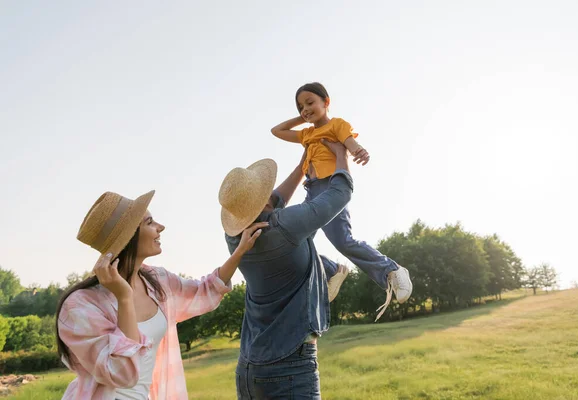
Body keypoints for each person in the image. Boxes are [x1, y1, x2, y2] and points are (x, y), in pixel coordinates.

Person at [55, 190, 266, 399]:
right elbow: (124, 374)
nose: (160, 227)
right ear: (129, 237)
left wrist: (239, 251)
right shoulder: (80, 306)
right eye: (149, 222)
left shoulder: (157, 281)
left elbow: (204, 290)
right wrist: (124, 297)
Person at [220, 140, 357, 399]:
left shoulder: (235, 239)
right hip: (290, 366)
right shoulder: (285, 226)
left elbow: (274, 202)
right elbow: (340, 193)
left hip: (249, 368)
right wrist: (340, 154)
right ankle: (330, 273)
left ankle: (329, 273)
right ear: (263, 202)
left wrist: (301, 166)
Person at [271, 82, 413, 320]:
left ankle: (392, 270)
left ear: (326, 102)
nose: (305, 109)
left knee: (343, 241)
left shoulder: (337, 124)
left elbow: (349, 142)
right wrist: (302, 118)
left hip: (332, 188)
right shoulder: (306, 133)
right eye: (300, 106)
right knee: (296, 242)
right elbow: (277, 130)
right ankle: (331, 271)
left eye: (310, 103)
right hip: (312, 191)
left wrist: (358, 151)